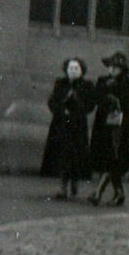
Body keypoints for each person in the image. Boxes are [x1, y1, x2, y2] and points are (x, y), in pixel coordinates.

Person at [40, 58, 96, 200]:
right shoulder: (61, 83)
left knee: (76, 156)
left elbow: (90, 105)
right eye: (70, 68)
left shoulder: (87, 85)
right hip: (61, 124)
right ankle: (63, 187)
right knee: (62, 155)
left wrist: (77, 103)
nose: (73, 71)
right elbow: (52, 102)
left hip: (77, 126)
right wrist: (61, 109)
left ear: (82, 71)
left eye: (76, 68)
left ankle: (74, 182)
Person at [89, 52, 129, 207]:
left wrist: (118, 99)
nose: (112, 70)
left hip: (121, 127)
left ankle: (98, 192)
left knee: (113, 157)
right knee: (110, 159)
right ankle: (119, 193)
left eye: (115, 67)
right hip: (103, 125)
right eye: (110, 67)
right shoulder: (103, 81)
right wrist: (105, 92)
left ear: (122, 69)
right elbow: (95, 98)